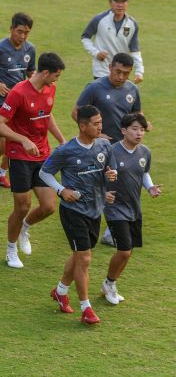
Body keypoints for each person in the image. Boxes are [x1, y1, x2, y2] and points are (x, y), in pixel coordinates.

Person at [40, 105, 117, 325]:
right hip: (73, 211)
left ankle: (60, 291)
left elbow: (109, 171)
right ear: (83, 126)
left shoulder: (104, 145)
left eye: (101, 122)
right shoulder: (66, 150)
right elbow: (44, 172)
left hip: (95, 209)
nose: (100, 127)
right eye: (96, 123)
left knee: (78, 256)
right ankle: (86, 308)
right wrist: (61, 190)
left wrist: (111, 176)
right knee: (84, 258)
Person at [0, 52, 66, 268]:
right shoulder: (18, 93)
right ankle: (10, 250)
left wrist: (61, 139)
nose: (57, 80)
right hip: (20, 156)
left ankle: (24, 227)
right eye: (56, 75)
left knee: (48, 206)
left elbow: (46, 114)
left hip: (42, 155)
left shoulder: (50, 88)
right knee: (22, 206)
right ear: (45, 73)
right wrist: (22, 139)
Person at [73, 52, 146, 246]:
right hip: (97, 147)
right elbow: (77, 113)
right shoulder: (94, 87)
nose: (121, 77)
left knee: (121, 186)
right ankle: (84, 221)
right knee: (94, 184)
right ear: (110, 67)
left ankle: (110, 230)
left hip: (122, 148)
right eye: (117, 71)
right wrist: (96, 135)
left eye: (126, 73)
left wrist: (142, 124)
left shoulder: (132, 89)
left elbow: (136, 114)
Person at [102, 112, 161, 304]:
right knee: (124, 251)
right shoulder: (111, 152)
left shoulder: (145, 152)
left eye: (142, 130)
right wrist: (103, 193)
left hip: (134, 207)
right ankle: (109, 283)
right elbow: (97, 175)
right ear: (123, 130)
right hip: (114, 207)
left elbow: (143, 173)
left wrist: (150, 187)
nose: (139, 133)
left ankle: (109, 283)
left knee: (129, 250)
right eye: (134, 129)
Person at [0, 12, 36, 188]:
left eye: (26, 33)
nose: (22, 36)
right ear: (11, 29)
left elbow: (30, 72)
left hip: (19, 101)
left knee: (16, 141)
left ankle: (1, 174)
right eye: (19, 32)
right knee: (5, 142)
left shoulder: (30, 49)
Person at [81, 0, 143, 83]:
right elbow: (85, 38)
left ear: (127, 3)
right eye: (117, 1)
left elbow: (135, 50)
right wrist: (96, 53)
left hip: (121, 72)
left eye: (123, 2)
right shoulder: (99, 19)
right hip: (101, 71)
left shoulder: (132, 24)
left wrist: (139, 71)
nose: (120, 5)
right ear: (110, 2)